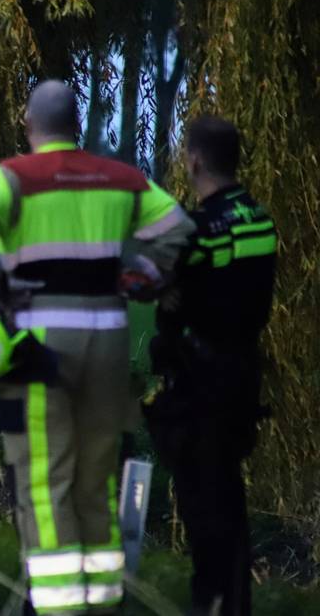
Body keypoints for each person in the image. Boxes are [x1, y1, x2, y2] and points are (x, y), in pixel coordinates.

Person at [0, 80, 195, 615]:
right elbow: (179, 228)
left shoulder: (15, 177)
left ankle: (58, 606)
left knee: (46, 477)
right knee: (97, 478)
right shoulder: (121, 178)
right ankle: (102, 601)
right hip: (107, 337)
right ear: (76, 124)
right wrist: (147, 275)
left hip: (40, 340)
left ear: (28, 124)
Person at [145, 117, 276, 616]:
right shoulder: (258, 219)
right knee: (229, 497)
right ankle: (235, 602)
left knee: (204, 504)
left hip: (200, 382)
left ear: (195, 160)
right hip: (242, 374)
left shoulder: (198, 230)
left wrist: (169, 298)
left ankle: (213, 602)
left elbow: (163, 291)